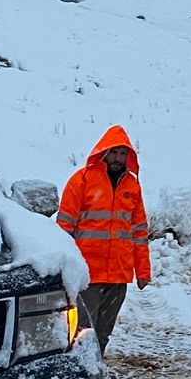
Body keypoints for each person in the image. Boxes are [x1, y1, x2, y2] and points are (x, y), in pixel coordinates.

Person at [57, 126, 151, 352]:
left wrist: (143, 271)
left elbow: (139, 232)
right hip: (88, 274)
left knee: (103, 332)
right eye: (114, 152)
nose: (118, 158)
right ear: (104, 152)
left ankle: (95, 371)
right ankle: (78, 373)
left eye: (123, 153)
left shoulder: (132, 186)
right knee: (80, 331)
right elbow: (63, 229)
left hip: (118, 275)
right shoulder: (82, 181)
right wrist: (63, 269)